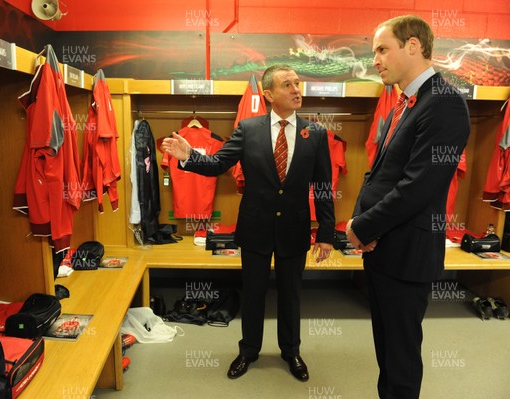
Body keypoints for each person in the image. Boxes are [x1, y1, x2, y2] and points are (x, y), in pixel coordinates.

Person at [161, 64, 335, 382]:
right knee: (253, 292)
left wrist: (325, 233)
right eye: (288, 85)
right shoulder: (248, 129)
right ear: (268, 94)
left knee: (291, 294)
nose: (297, 89)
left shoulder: (317, 133)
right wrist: (188, 157)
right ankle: (248, 351)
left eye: (298, 83)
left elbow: (323, 185)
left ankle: (291, 351)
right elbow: (217, 164)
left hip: (295, 228)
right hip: (255, 227)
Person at [346, 15, 470, 399]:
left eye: (383, 49)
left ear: (413, 46)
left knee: (400, 361)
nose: (376, 60)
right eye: (374, 52)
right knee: (388, 352)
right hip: (385, 248)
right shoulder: (409, 102)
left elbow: (417, 187)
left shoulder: (444, 103)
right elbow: (381, 175)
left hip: (406, 252)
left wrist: (361, 227)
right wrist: (362, 222)